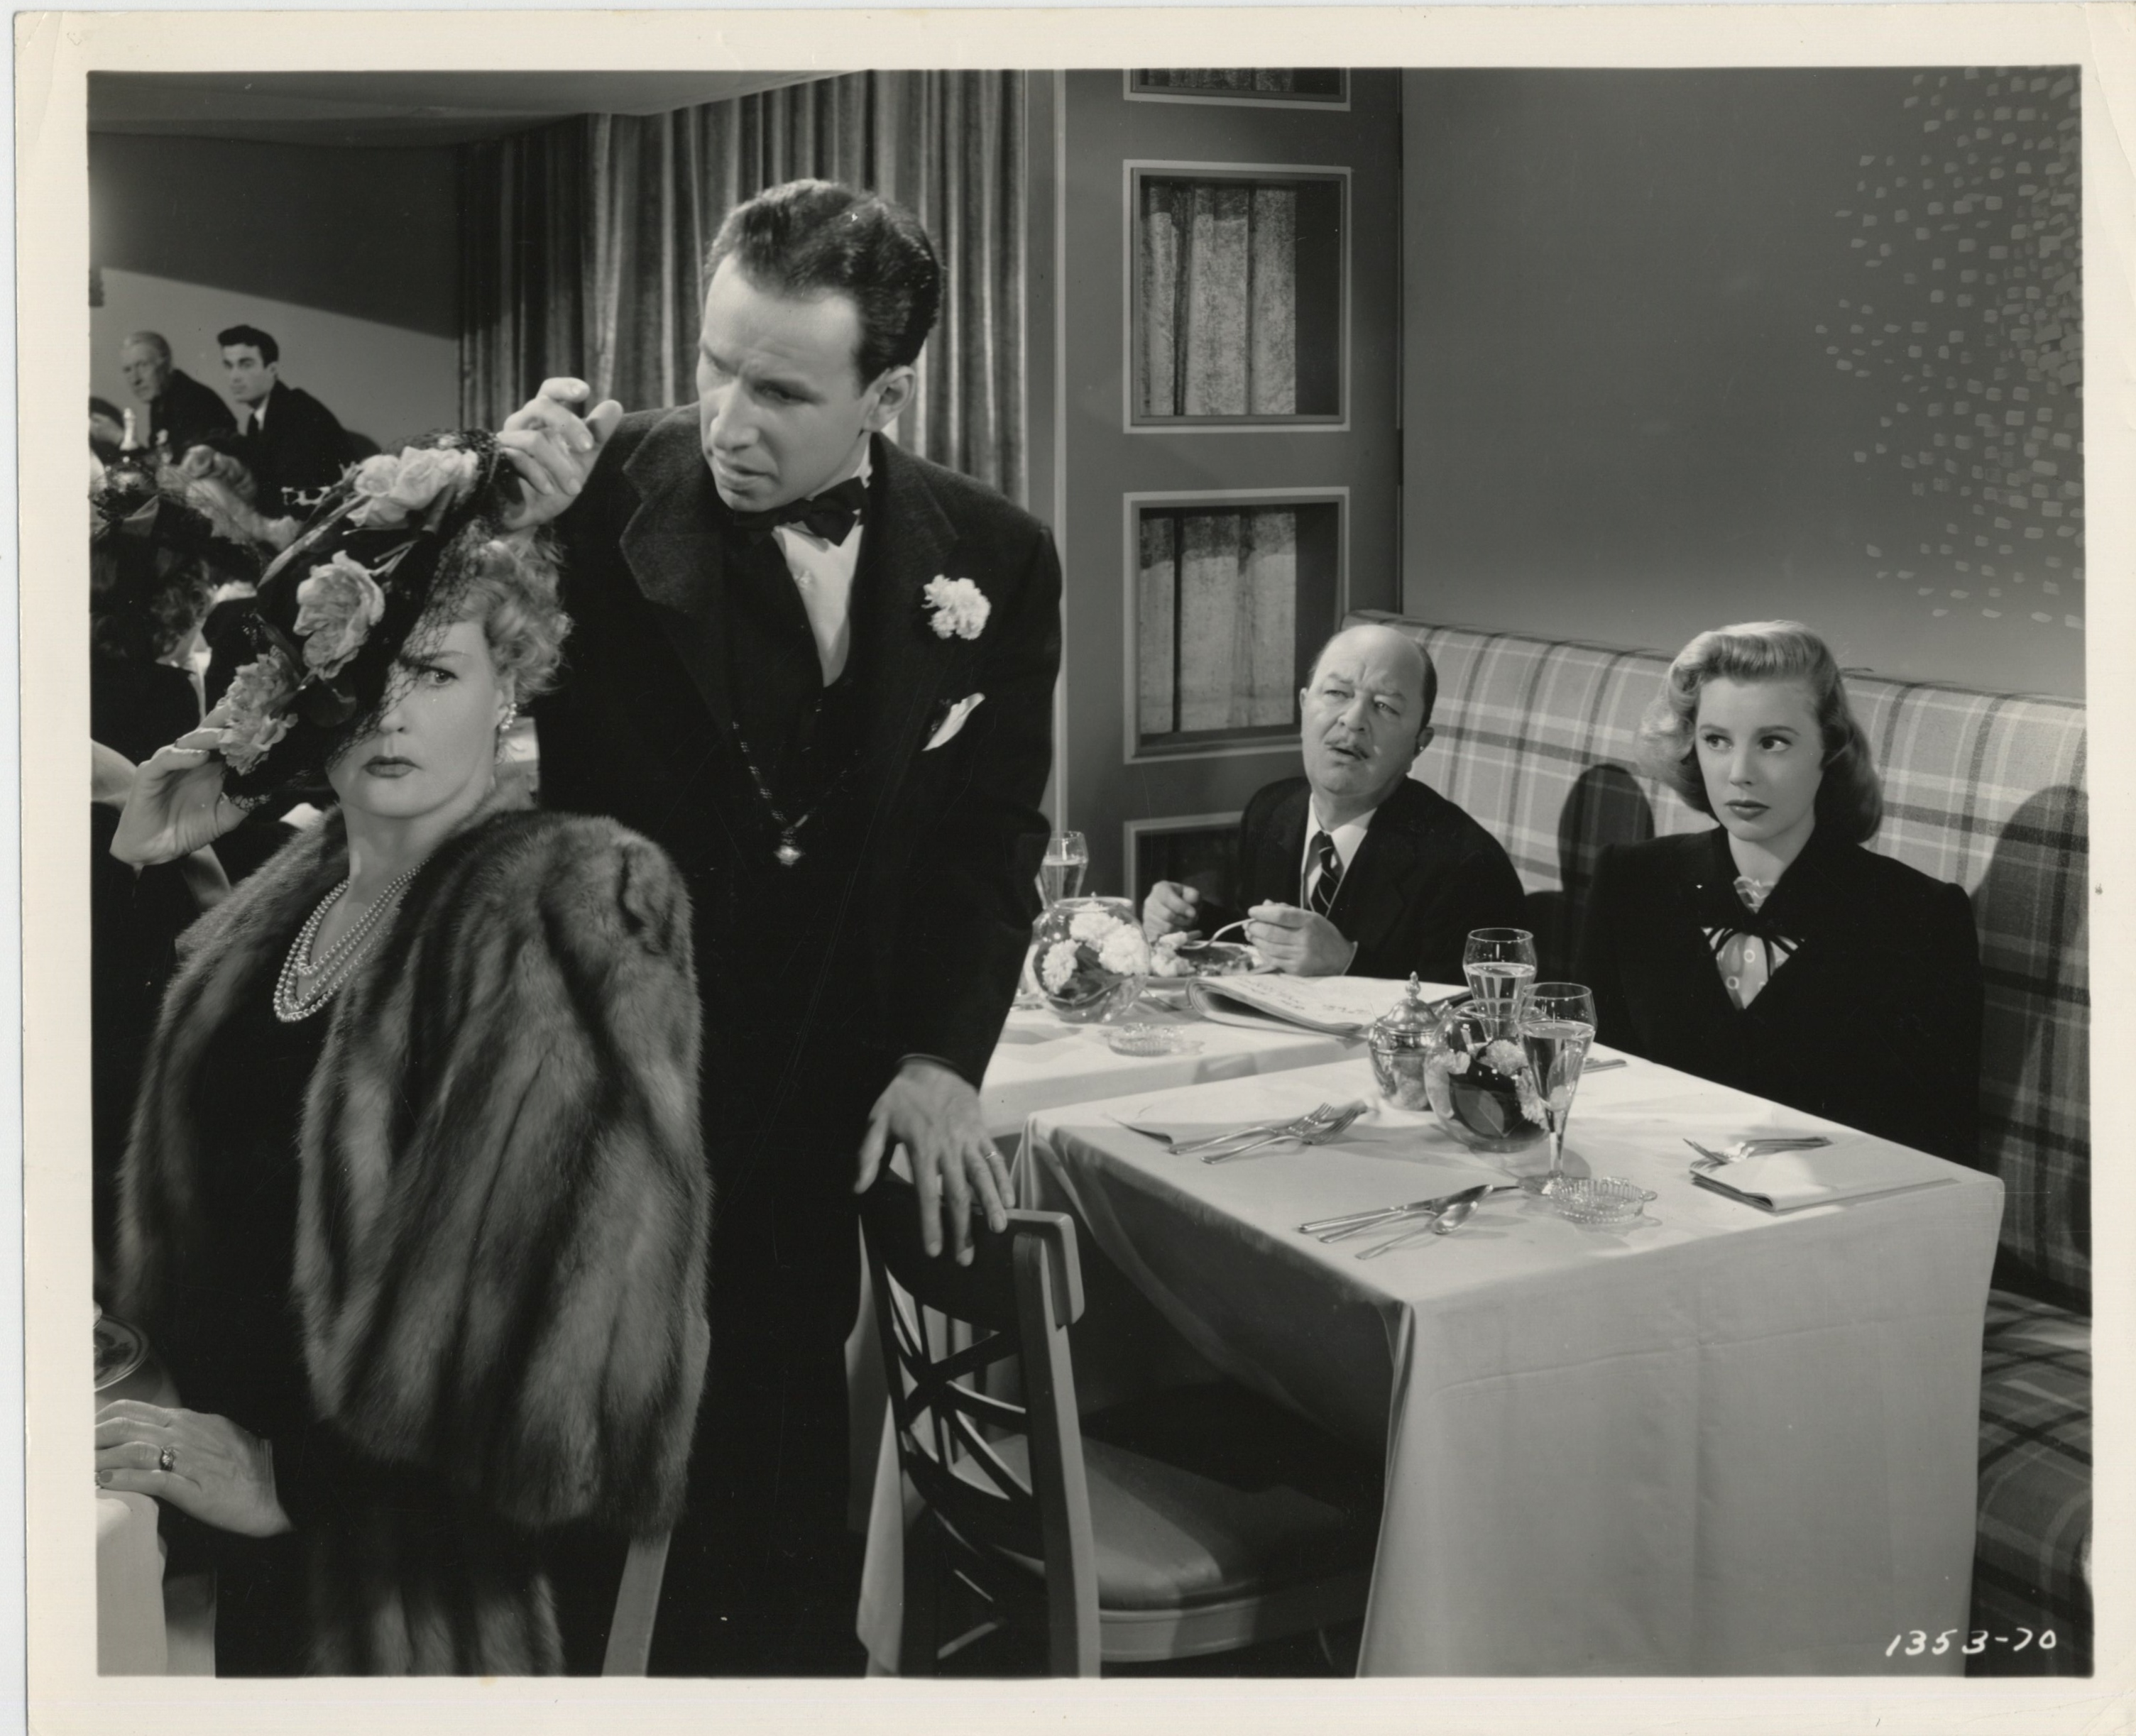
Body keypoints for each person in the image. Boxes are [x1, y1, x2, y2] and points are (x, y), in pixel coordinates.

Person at [499, 177, 1061, 1675]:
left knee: (773, 1485)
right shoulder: (583, 494)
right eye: (711, 366)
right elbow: (398, 689)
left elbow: (991, 836)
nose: (727, 420)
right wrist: (489, 530)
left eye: (780, 390)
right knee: (567, 1490)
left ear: (886, 392)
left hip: (815, 1114)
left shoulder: (994, 559)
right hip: (600, 1098)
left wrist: (946, 1057)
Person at [99, 434, 711, 1674]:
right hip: (267, 1554)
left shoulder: (565, 899)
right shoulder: (289, 890)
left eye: (432, 670)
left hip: (426, 1588)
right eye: (362, 676)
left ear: (510, 687)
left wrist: (290, 1478)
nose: (389, 713)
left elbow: (558, 1311)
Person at [1575, 620, 1981, 1163]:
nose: (1739, 773)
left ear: (1827, 748)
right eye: (1715, 740)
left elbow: (1937, 1144)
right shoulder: (1630, 881)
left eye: (1772, 742)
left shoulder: (1919, 916)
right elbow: (1588, 1082)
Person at [1142, 622, 1526, 982]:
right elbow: (1261, 944)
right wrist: (1190, 923)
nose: (1354, 720)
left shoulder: (1467, 867)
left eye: (1385, 707)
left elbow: (1469, 1023)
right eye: (1337, 694)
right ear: (1305, 707)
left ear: (1419, 744)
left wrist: (1347, 962)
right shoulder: (1271, 810)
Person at [219, 323, 352, 514]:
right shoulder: (258, 418)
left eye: (246, 365)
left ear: (272, 369)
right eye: (228, 365)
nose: (234, 377)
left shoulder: (299, 411)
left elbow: (298, 495)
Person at [119, 331, 237, 459]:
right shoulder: (161, 400)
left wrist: (119, 438)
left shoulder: (195, 400)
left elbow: (179, 468)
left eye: (143, 365)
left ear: (166, 364)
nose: (136, 379)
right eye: (128, 370)